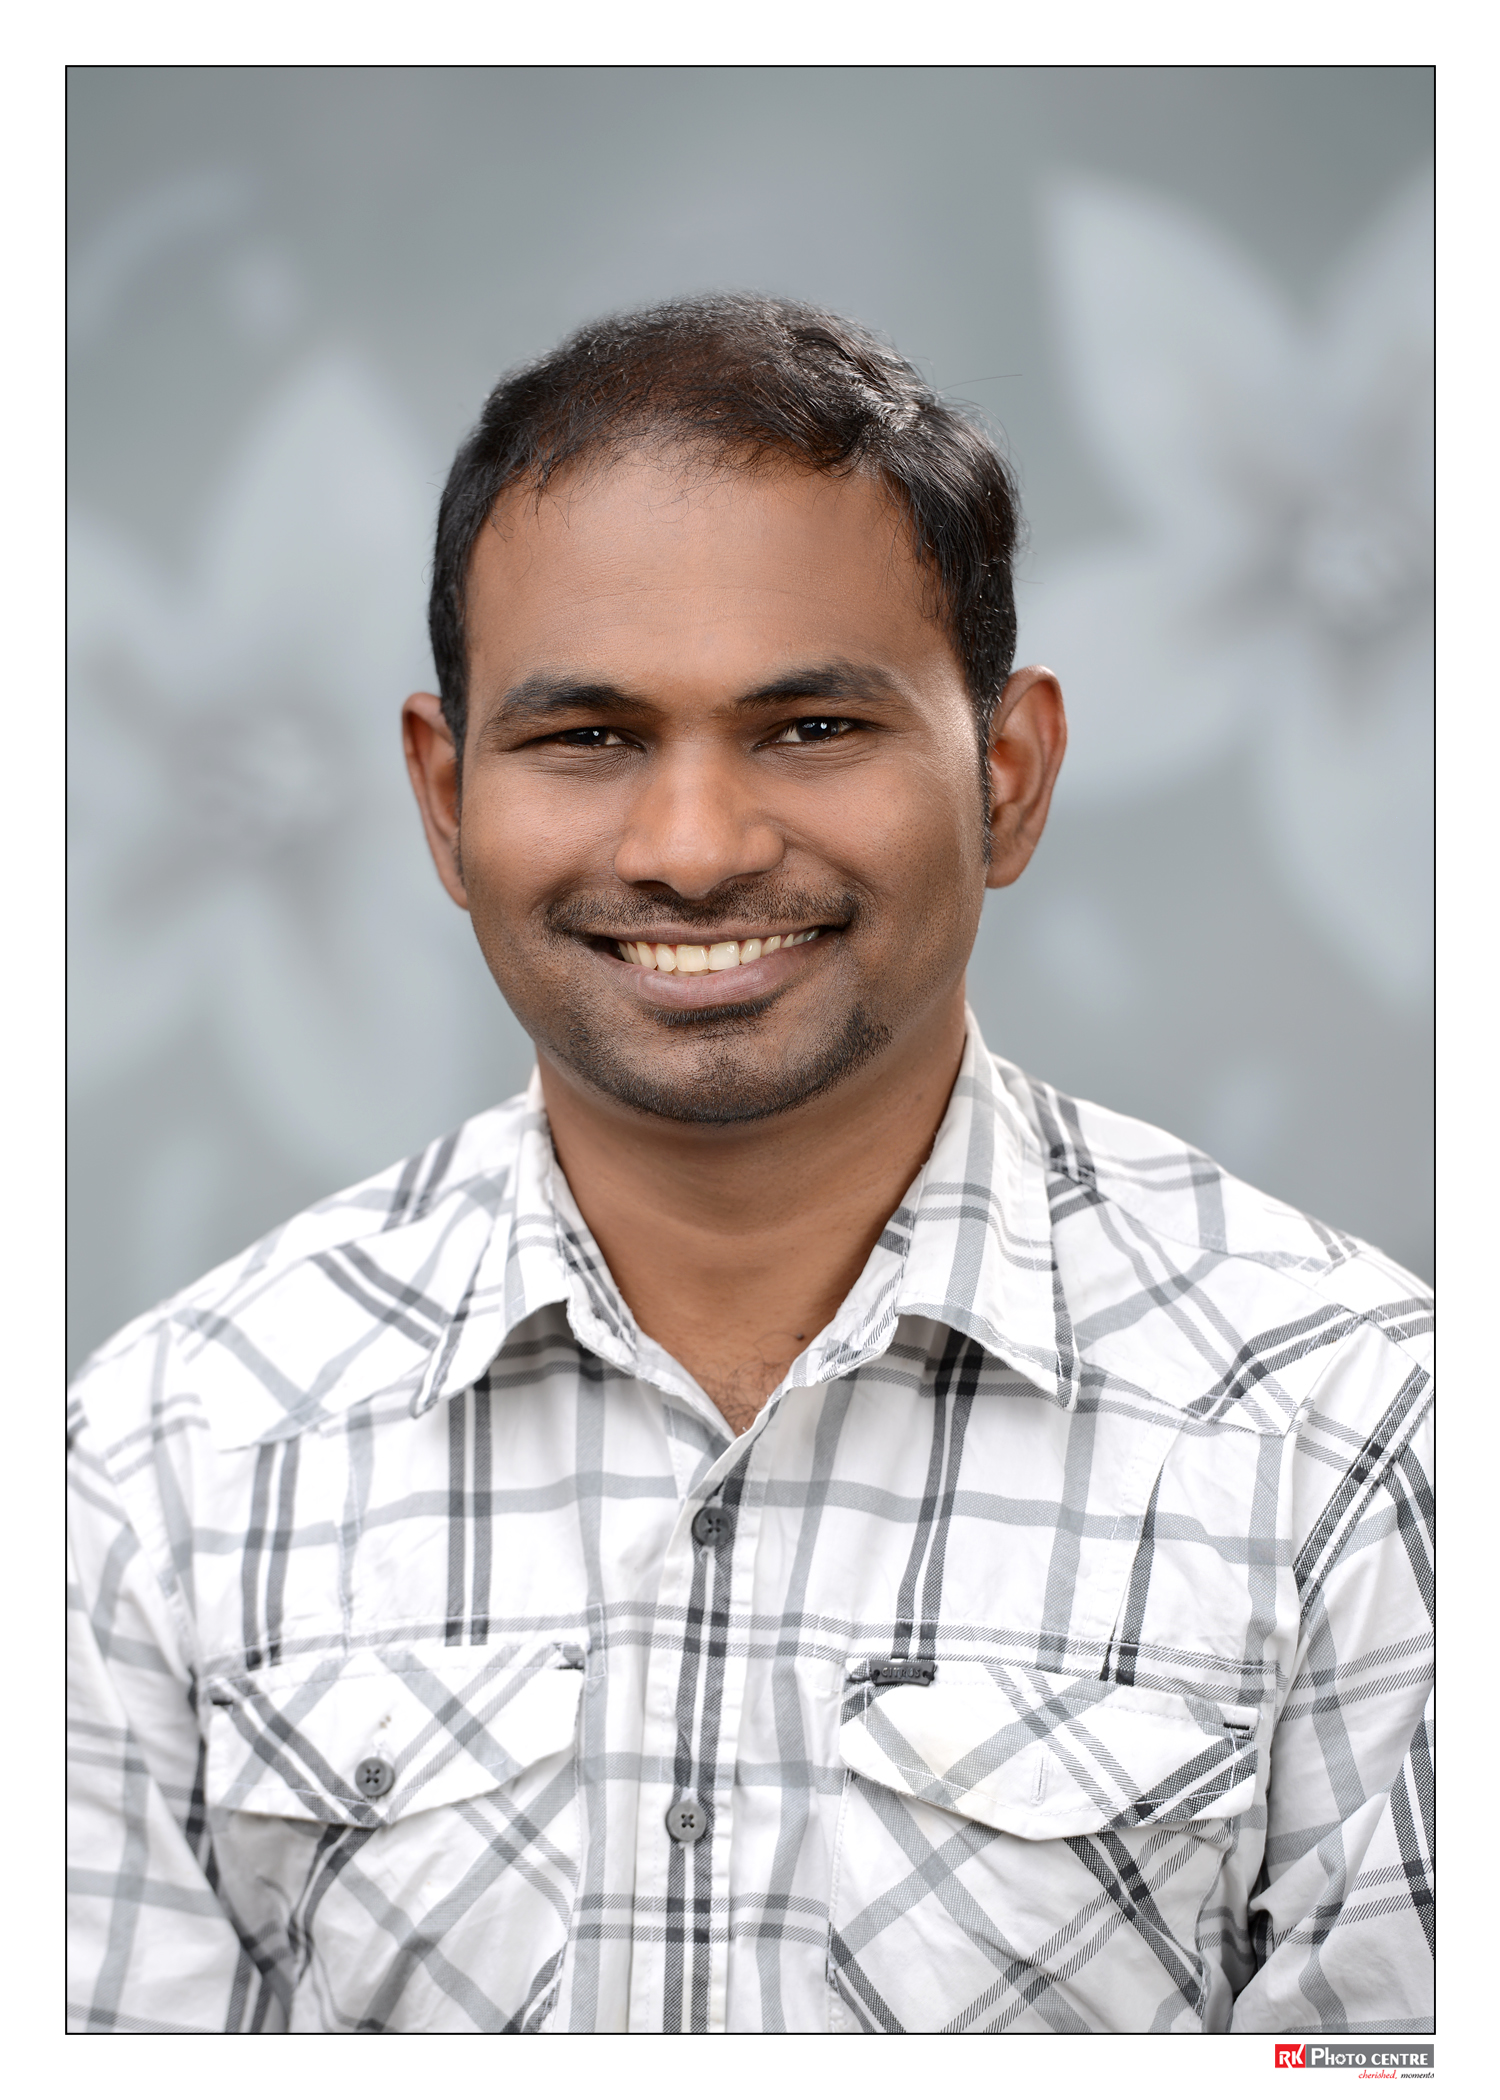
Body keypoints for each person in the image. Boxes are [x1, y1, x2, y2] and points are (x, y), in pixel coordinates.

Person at [67, 295, 1434, 2037]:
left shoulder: (1362, 1438)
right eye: (588, 738)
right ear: (443, 796)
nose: (696, 850)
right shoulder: (160, 1466)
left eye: (811, 729)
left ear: (1010, 777)